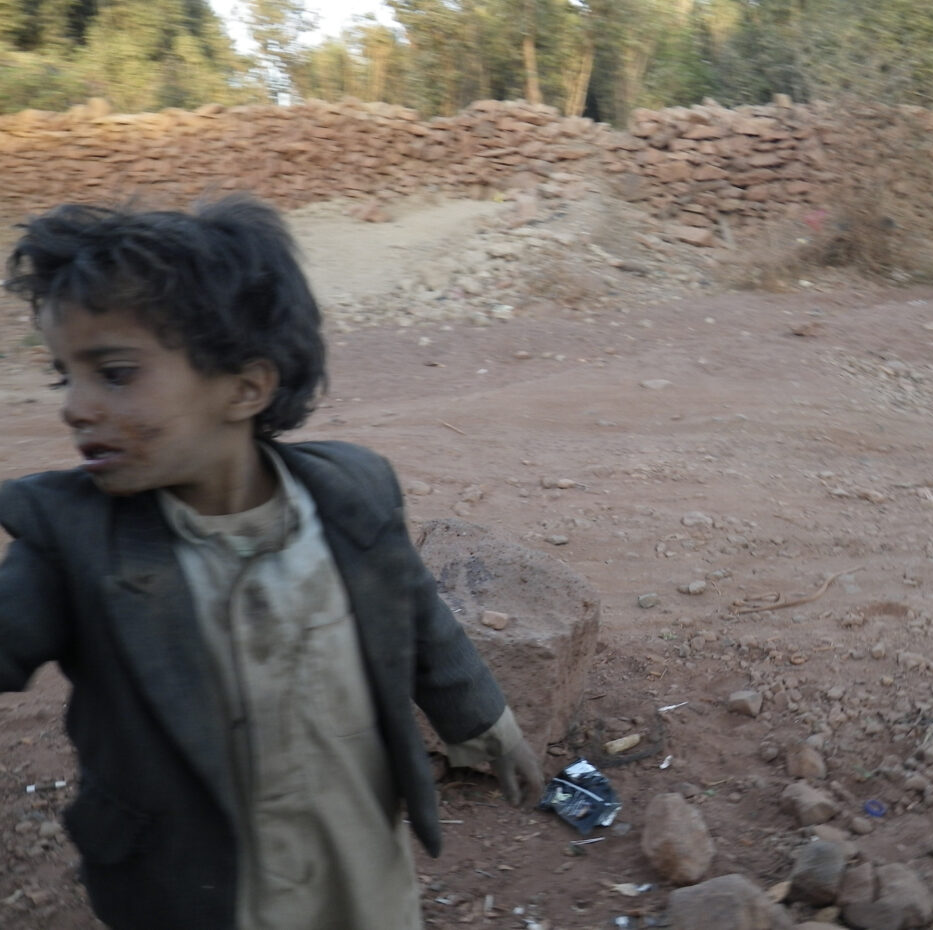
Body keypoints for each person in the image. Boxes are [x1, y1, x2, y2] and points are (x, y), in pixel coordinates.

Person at [0, 196, 544, 930]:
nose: (75, 407)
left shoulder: (351, 494)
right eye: (65, 377)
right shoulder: (69, 541)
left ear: (246, 387)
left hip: (355, 859)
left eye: (116, 373)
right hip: (196, 893)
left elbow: (419, 619)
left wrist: (489, 727)